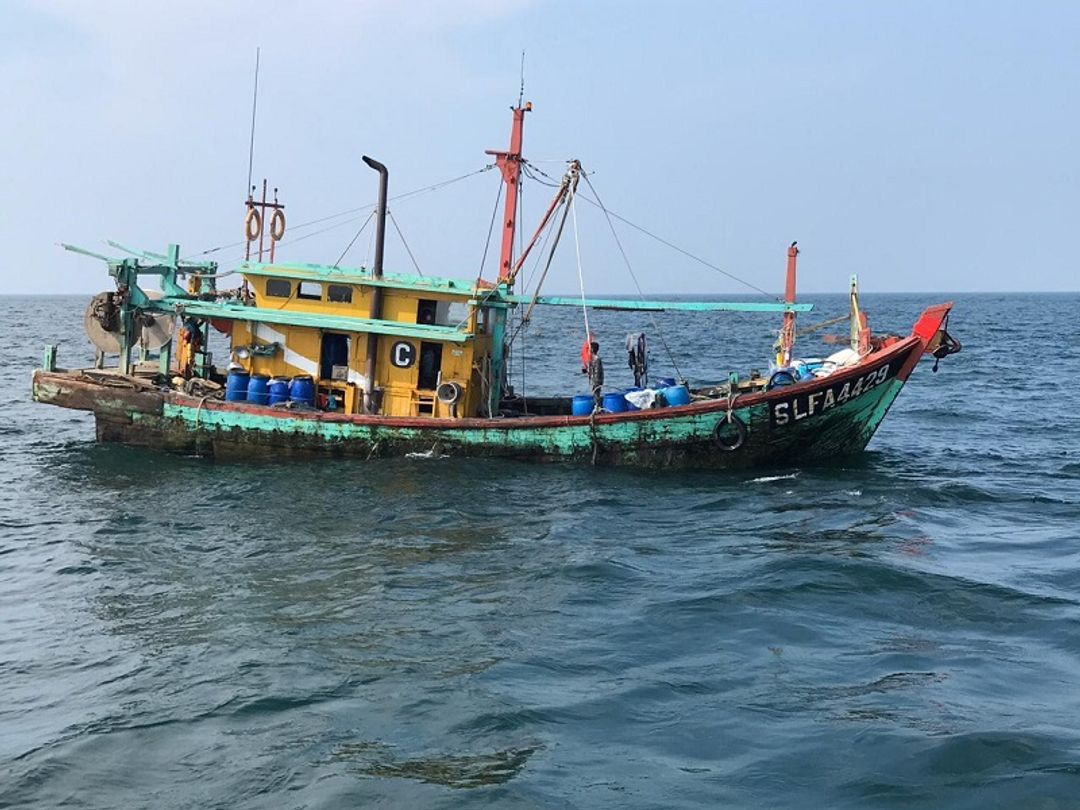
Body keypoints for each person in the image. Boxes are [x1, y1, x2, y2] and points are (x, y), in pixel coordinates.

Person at [585, 341, 604, 406]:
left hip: (597, 381)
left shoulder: (597, 359)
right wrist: (586, 370)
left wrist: (596, 382)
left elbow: (597, 371)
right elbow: (591, 370)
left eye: (590, 348)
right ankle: (596, 406)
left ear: (592, 349)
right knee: (594, 394)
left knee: (596, 394)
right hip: (594, 380)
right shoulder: (592, 359)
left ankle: (597, 407)